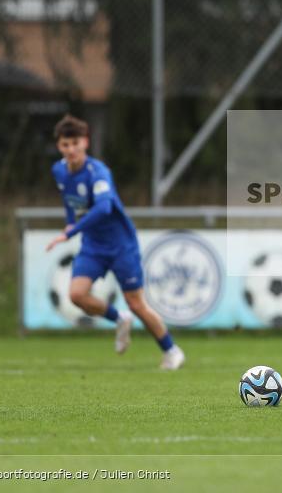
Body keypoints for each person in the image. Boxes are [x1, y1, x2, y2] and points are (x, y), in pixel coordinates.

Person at [46, 115, 185, 370]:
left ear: (85, 142)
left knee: (137, 303)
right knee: (76, 295)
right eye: (66, 145)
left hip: (121, 245)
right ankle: (119, 318)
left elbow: (104, 208)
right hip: (93, 246)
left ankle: (172, 350)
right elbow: (69, 199)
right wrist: (69, 222)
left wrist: (71, 232)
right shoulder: (59, 170)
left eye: (75, 143)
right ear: (59, 147)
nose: (71, 150)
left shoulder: (98, 172)